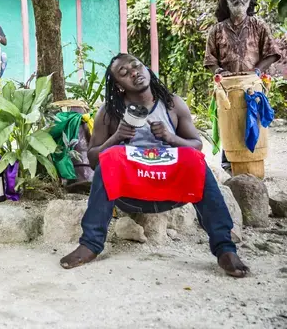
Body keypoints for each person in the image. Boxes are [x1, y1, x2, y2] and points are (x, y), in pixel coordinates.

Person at [59, 54, 249, 278]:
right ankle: (90, 244)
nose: (134, 72)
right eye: (124, 73)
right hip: (131, 194)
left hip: (170, 191)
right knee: (112, 156)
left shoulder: (172, 104)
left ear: (147, 69)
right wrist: (116, 137)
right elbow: (93, 160)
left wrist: (171, 137)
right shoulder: (109, 112)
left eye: (137, 66)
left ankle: (225, 248)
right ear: (119, 85)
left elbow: (196, 145)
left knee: (195, 160)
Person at [204, 0, 281, 169]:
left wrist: (257, 70)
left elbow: (272, 53)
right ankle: (228, 162)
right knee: (230, 123)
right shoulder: (217, 29)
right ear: (226, 3)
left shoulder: (259, 24)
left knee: (252, 122)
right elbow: (209, 60)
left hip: (253, 85)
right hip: (227, 86)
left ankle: (254, 163)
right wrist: (218, 72)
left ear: (249, 2)